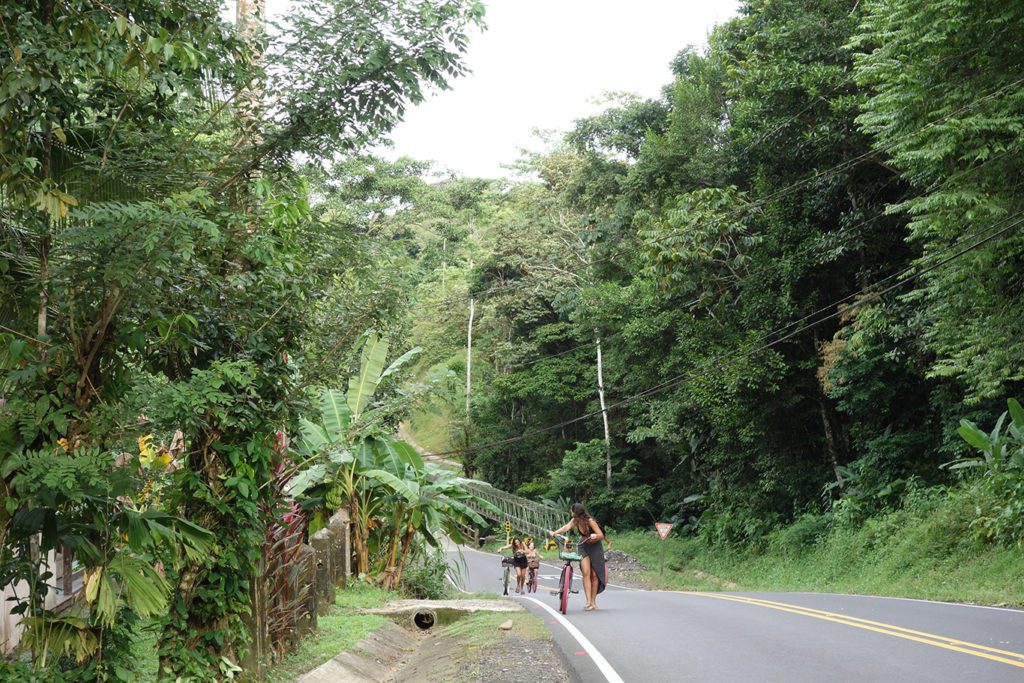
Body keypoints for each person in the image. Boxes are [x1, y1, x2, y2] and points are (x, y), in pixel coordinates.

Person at [549, 503, 606, 611]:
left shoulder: (590, 521)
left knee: (594, 575)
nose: (571, 512)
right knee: (586, 572)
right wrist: (554, 532)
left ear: (576, 512)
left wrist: (595, 535)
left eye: (572, 511)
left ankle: (593, 601)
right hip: (583, 545)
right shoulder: (575, 520)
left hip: (595, 546)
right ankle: (588, 601)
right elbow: (566, 527)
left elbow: (601, 535)